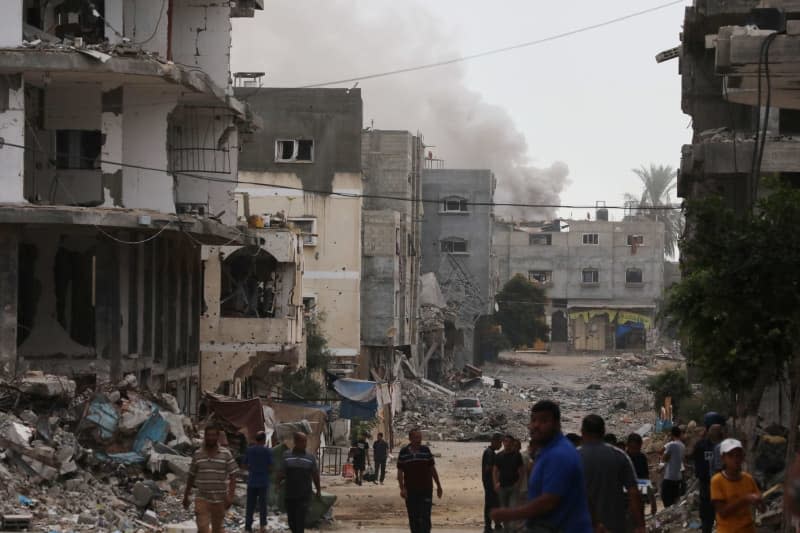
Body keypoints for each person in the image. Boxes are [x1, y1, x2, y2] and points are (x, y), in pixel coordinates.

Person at [491, 400, 593, 532]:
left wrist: (511, 514)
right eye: (533, 420)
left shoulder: (559, 454)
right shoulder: (546, 452)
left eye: (544, 421)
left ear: (557, 424)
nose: (536, 425)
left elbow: (549, 501)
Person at [579, 415, 645, 533]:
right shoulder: (619, 456)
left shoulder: (573, 457)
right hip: (615, 525)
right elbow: (633, 493)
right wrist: (640, 525)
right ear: (603, 432)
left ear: (582, 432)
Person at [183, 425, 238, 533]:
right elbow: (191, 476)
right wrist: (186, 496)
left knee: (217, 530)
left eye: (213, 435)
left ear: (217, 436)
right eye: (208, 435)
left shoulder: (226, 454)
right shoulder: (198, 454)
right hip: (202, 498)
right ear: (205, 437)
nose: (210, 438)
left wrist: (230, 496)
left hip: (220, 500)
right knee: (203, 528)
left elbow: (233, 475)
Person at [711, 438, 764, 533]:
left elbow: (762, 508)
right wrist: (745, 499)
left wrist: (760, 501)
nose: (736, 459)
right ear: (723, 458)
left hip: (748, 529)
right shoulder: (717, 481)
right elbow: (723, 512)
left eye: (738, 455)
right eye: (731, 456)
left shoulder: (748, 478)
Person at [397, 428, 443, 533]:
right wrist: (402, 488)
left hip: (426, 489)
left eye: (420, 437)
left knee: (425, 517)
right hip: (411, 491)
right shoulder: (404, 452)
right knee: (413, 517)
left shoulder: (425, 450)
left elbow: (432, 469)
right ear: (410, 439)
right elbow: (400, 472)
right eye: (416, 437)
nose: (419, 440)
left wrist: (439, 486)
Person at [279, 432, 321, 533]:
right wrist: (277, 484)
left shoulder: (310, 458)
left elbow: (315, 475)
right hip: (290, 495)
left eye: (305, 441)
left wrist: (318, 489)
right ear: (296, 442)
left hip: (304, 495)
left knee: (300, 521)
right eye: (302, 441)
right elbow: (281, 472)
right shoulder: (286, 455)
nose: (305, 444)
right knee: (291, 521)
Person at [692, 423, 723, 533]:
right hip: (709, 485)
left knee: (710, 517)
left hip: (710, 485)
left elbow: (693, 457)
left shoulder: (701, 445)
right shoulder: (705, 446)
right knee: (709, 517)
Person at [241, 431, 273, 533]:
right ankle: (262, 526)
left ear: (256, 439)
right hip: (263, 481)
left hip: (252, 481)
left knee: (250, 505)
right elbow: (271, 466)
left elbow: (244, 465)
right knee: (263, 505)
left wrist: (251, 468)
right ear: (264, 440)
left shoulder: (249, 450)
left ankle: (247, 527)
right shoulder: (267, 451)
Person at [493, 434, 525, 519]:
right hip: (502, 486)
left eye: (510, 442)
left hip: (513, 486)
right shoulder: (499, 456)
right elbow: (495, 470)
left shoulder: (517, 455)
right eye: (506, 441)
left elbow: (521, 471)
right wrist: (495, 483)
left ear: (512, 443)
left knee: (513, 509)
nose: (507, 444)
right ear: (503, 442)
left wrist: (518, 483)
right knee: (504, 510)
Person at [626, 432, 657, 517]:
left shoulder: (641, 457)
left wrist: (652, 500)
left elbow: (645, 478)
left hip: (640, 497)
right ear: (627, 445)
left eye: (637, 449)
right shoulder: (623, 458)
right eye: (633, 448)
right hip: (625, 499)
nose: (635, 451)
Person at [482, 433, 503, 533]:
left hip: (489, 483)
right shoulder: (489, 453)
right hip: (490, 484)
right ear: (494, 441)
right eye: (500, 442)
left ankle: (493, 525)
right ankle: (489, 526)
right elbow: (489, 468)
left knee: (492, 504)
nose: (501, 445)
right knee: (491, 504)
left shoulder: (490, 452)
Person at [661, 425, 686, 507]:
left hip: (669, 476)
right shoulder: (683, 445)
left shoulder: (671, 445)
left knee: (666, 497)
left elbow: (664, 458)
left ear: (672, 434)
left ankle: (668, 514)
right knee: (675, 498)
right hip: (678, 476)